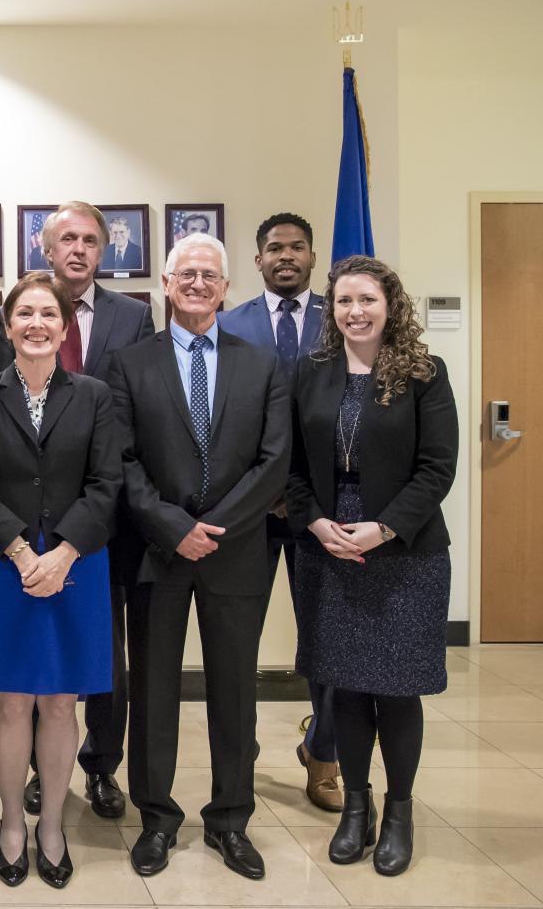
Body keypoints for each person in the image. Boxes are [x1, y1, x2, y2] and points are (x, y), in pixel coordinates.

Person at [110, 232, 290, 880]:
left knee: (235, 691)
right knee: (152, 690)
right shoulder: (131, 364)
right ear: (165, 283)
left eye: (209, 275)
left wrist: (214, 528)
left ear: (225, 287)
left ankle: (230, 818)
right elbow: (122, 460)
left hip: (235, 552)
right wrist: (172, 526)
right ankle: (157, 818)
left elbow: (274, 460)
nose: (197, 283)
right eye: (185, 273)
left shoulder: (262, 364)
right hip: (157, 551)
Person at [287, 255, 457, 877]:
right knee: (346, 685)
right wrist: (315, 522)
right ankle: (355, 809)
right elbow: (292, 468)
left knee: (397, 687)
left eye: (367, 300)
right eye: (343, 301)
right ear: (330, 309)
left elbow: (437, 468)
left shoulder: (423, 373)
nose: (355, 312)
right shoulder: (312, 372)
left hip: (405, 550)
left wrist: (382, 529)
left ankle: (399, 813)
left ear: (391, 305)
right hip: (329, 545)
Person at [0, 272, 119, 889]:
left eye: (48, 314)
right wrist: (25, 554)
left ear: (65, 325)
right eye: (24, 313)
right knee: (12, 701)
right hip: (5, 566)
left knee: (59, 701)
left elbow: (106, 484)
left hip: (77, 565)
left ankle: (51, 825)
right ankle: (10, 825)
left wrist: (63, 553)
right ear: (7, 326)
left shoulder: (94, 396)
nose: (37, 324)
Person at [0, 200, 154, 821]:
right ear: (47, 248)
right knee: (41, 648)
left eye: (90, 240)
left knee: (104, 649)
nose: (79, 249)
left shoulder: (133, 317)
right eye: (68, 239)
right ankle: (42, 771)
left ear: (103, 250)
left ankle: (101, 765)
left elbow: (138, 410)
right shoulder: (23, 310)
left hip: (105, 514)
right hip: (30, 519)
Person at [218, 212, 339, 811]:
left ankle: (324, 754)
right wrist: (258, 489)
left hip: (323, 511)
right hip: (251, 512)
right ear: (258, 260)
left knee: (329, 642)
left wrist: (305, 493)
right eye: (274, 248)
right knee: (238, 640)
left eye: (296, 247)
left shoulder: (341, 319)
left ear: (313, 257)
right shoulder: (229, 323)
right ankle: (240, 755)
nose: (285, 255)